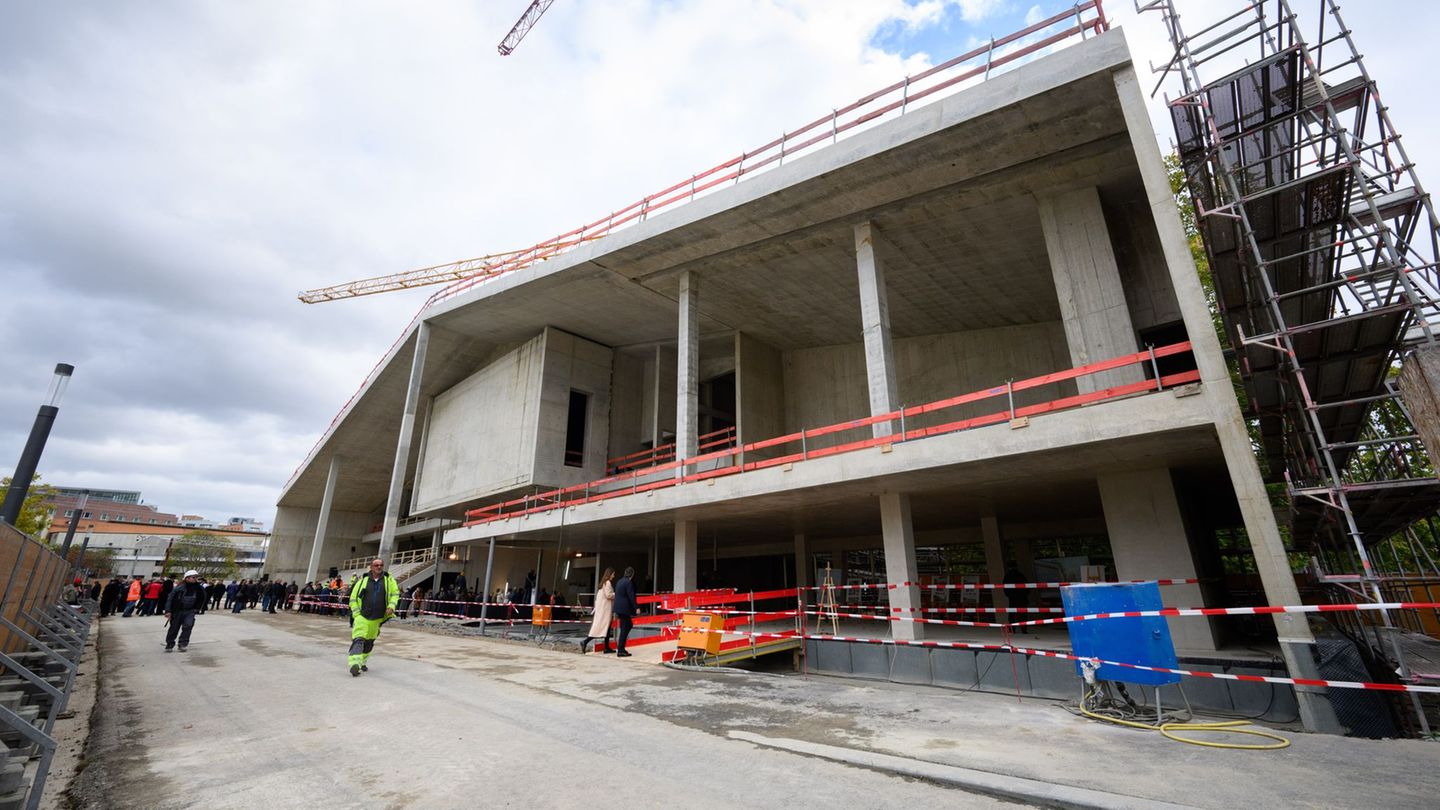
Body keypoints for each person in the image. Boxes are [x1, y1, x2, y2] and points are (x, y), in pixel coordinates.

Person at [346, 559, 398, 677]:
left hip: (377, 618)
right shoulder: (362, 581)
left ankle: (362, 662)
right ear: (371, 567)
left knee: (369, 642)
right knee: (358, 639)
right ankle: (355, 664)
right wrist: (357, 614)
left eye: (381, 565)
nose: (379, 567)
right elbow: (353, 598)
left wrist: (391, 606)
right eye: (376, 565)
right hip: (362, 617)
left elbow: (395, 594)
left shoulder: (389, 581)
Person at [164, 570, 207, 652]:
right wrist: (168, 611)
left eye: (196, 577)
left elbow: (203, 598)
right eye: (193, 577)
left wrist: (197, 609)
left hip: (190, 611)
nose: (195, 579)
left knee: (188, 627)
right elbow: (170, 599)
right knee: (174, 628)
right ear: (187, 578)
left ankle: (183, 644)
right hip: (177, 611)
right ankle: (169, 644)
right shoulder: (179, 588)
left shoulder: (199, 588)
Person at [580, 568, 616, 654]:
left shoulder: (603, 583)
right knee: (602, 628)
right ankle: (585, 641)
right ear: (610, 574)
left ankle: (606, 647)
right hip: (605, 610)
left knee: (605, 628)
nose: (614, 576)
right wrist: (616, 594)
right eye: (613, 574)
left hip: (602, 610)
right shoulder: (608, 583)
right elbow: (608, 595)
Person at [613, 567, 636, 658]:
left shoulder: (619, 581)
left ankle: (621, 648)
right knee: (626, 627)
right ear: (632, 574)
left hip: (619, 608)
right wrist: (636, 608)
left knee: (626, 626)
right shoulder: (628, 582)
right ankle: (621, 649)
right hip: (624, 609)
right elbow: (631, 596)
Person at [1003, 562, 1030, 635]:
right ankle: (1024, 629)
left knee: (1012, 614)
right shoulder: (1021, 575)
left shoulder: (1007, 576)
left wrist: (1009, 595)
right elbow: (1027, 586)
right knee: (1022, 614)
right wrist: (1025, 595)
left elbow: (1005, 587)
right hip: (1022, 597)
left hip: (1012, 597)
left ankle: (1012, 629)